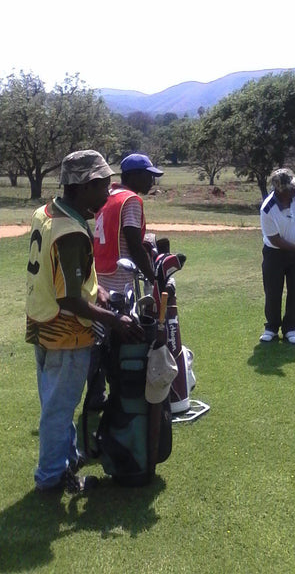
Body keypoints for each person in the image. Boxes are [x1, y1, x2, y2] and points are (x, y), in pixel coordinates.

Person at [26, 149, 144, 494]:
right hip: (66, 333)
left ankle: (66, 460)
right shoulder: (71, 232)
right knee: (59, 411)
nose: (107, 195)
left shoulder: (45, 213)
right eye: (103, 187)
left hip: (41, 324)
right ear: (83, 186)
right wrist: (113, 320)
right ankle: (50, 478)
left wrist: (100, 294)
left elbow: (68, 278)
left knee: (55, 403)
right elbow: (70, 298)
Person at [88, 153, 164, 408]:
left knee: (98, 339)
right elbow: (132, 243)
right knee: (119, 340)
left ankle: (96, 396)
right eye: (148, 175)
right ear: (132, 176)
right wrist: (153, 276)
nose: (152, 180)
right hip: (119, 279)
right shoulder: (131, 200)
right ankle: (120, 392)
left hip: (99, 276)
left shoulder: (108, 196)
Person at [259, 168, 295, 344]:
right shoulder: (268, 209)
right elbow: (275, 240)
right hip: (274, 253)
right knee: (273, 291)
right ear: (280, 190)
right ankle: (271, 327)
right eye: (290, 188)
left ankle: (290, 328)